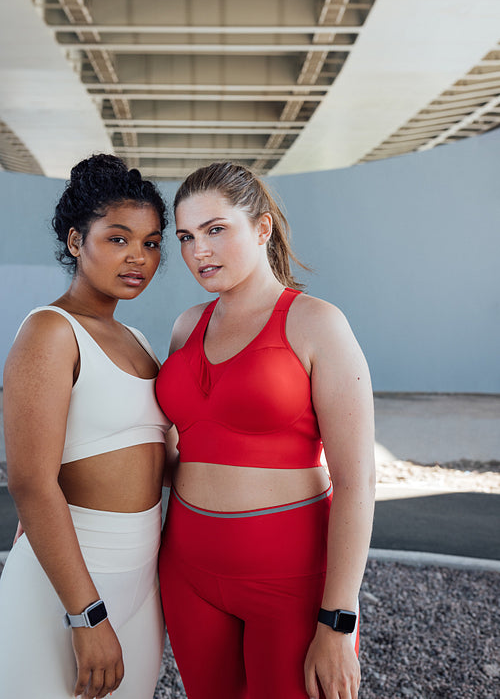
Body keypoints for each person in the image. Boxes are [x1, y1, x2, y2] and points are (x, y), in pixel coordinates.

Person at [155, 161, 376, 699]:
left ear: (261, 228)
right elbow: (167, 453)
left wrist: (338, 620)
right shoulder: (187, 326)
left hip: (290, 582)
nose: (198, 250)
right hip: (186, 572)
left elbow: (357, 482)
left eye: (215, 229)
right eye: (185, 237)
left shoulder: (317, 323)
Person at [0, 154, 171, 699]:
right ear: (76, 241)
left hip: (142, 581)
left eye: (150, 242)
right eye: (118, 239)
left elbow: (159, 463)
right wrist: (86, 615)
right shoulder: (51, 332)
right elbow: (29, 480)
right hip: (69, 586)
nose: (138, 258)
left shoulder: (140, 342)